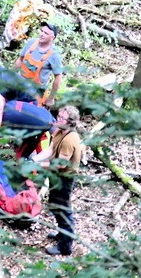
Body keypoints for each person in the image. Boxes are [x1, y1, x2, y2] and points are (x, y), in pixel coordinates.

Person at [40, 105, 83, 256]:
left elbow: (60, 165)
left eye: (61, 118)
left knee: (63, 210)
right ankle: (62, 233)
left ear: (70, 122)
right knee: (55, 207)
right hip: (56, 176)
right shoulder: (59, 130)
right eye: (58, 116)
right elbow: (50, 150)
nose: (58, 120)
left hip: (64, 178)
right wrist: (33, 159)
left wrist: (39, 165)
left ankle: (65, 246)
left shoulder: (69, 139)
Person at [13, 22, 63, 108]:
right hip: (20, 85)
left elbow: (58, 77)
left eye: (46, 33)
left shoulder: (54, 55)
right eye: (42, 31)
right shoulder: (31, 43)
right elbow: (20, 60)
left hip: (36, 93)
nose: (42, 34)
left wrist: (51, 98)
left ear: (52, 38)